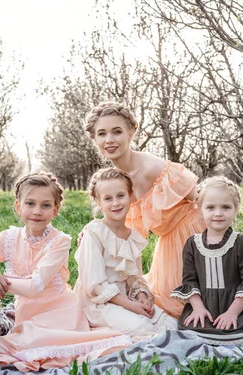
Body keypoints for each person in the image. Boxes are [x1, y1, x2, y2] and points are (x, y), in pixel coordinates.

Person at [0, 172, 131, 372]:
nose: (37, 211)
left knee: (10, 347)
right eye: (30, 203)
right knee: (2, 346)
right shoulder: (8, 238)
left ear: (55, 210)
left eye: (46, 205)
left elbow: (34, 287)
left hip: (61, 313)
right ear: (18, 206)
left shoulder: (60, 241)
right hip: (27, 314)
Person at [84, 101, 206, 317]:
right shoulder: (117, 182)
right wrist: (94, 229)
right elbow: (121, 226)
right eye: (101, 134)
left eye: (117, 132)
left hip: (194, 237)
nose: (109, 140)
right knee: (162, 305)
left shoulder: (151, 167)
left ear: (131, 133)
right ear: (95, 139)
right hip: (169, 243)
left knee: (182, 307)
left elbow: (200, 198)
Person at [73, 167, 177, 341]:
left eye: (120, 196)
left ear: (130, 196)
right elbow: (95, 285)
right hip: (98, 304)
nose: (115, 203)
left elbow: (134, 279)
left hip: (126, 298)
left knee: (170, 325)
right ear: (98, 202)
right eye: (108, 198)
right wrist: (131, 306)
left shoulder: (133, 237)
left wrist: (142, 297)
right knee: (143, 329)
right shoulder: (93, 233)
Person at [171, 176, 243, 344]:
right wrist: (199, 308)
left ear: (236, 209)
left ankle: (233, 318)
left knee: (241, 330)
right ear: (200, 210)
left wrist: (232, 313)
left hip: (237, 307)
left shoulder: (241, 243)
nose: (218, 213)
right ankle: (203, 315)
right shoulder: (192, 244)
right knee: (192, 329)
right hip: (205, 305)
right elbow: (189, 280)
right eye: (210, 207)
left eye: (225, 207)